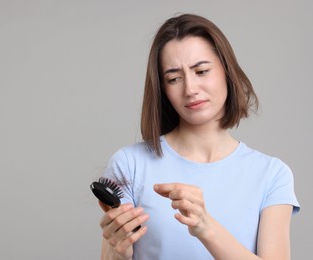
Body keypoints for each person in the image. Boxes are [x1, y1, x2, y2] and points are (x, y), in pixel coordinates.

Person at [97, 13, 300, 260]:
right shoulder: (129, 164)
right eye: (174, 78)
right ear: (163, 90)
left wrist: (206, 228)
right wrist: (119, 251)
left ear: (227, 70)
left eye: (201, 71)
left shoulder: (272, 175)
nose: (190, 89)